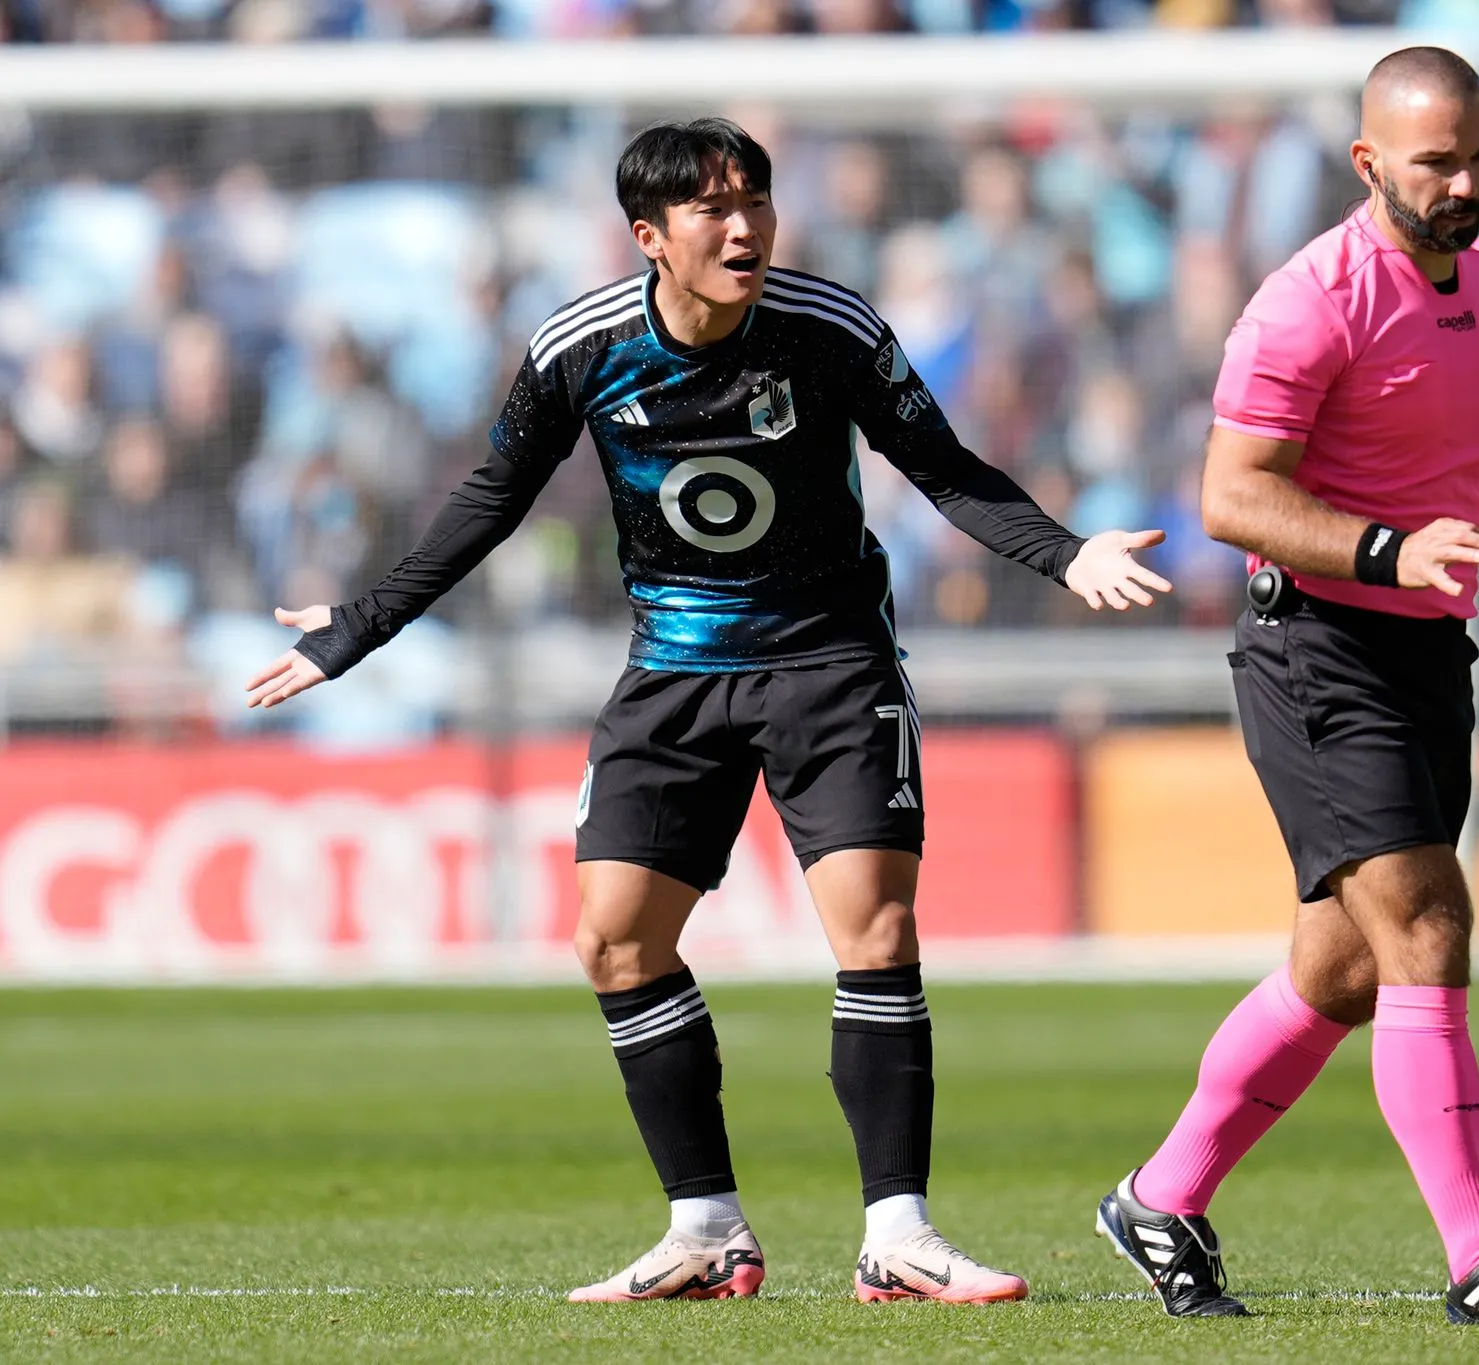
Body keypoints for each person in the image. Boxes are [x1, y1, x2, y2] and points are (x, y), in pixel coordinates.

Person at [245, 118, 1170, 1306]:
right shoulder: (582, 346)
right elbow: (491, 498)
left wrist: (1062, 552)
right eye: (712, 209)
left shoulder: (828, 329)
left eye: (756, 202)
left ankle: (899, 1234)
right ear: (650, 235)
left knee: (875, 931)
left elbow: (942, 468)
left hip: (828, 660)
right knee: (614, 939)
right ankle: (707, 1231)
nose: (743, 228)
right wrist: (356, 629)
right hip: (673, 669)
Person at [1092, 48, 1479, 1328]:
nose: (1463, 185)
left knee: (1341, 974)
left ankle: (1158, 1200)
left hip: (1427, 650)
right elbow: (1233, 498)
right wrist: (1390, 549)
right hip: (1315, 648)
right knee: (1428, 927)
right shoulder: (1306, 301)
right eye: (1436, 161)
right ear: (1367, 162)